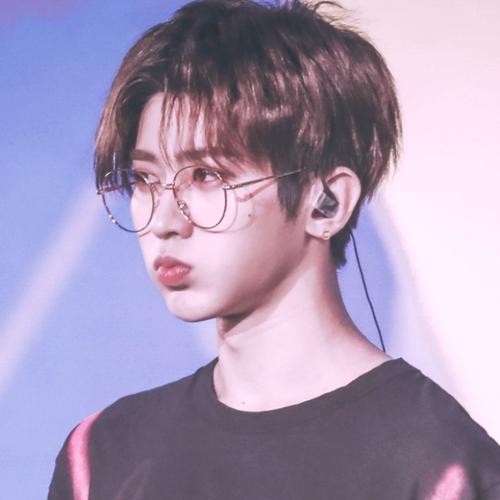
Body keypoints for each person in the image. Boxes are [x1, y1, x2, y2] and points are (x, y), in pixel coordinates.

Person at [48, 0, 500, 498]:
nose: (164, 220)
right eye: (145, 179)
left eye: (207, 176)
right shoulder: (103, 456)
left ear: (326, 203)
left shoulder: (440, 469)